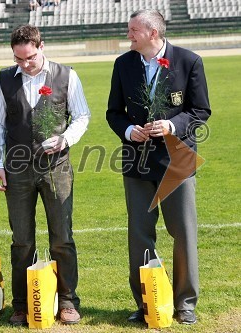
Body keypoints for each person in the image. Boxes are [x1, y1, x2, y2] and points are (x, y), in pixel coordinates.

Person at [106, 9, 211, 325]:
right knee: (139, 236)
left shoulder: (189, 61)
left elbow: (200, 111)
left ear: (152, 33)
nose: (128, 35)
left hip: (177, 162)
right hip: (136, 163)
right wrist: (128, 130)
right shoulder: (123, 64)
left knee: (183, 234)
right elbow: (114, 112)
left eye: (133, 30)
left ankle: (185, 303)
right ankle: (146, 300)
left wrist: (172, 125)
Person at [0, 24, 90, 326]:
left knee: (62, 237)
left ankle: (69, 301)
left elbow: (82, 115)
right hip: (17, 169)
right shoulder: (5, 79)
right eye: (18, 59)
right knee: (21, 239)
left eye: (29, 57)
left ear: (41, 46)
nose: (24, 64)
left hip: (56, 167)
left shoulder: (66, 75)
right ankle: (21, 304)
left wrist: (66, 139)